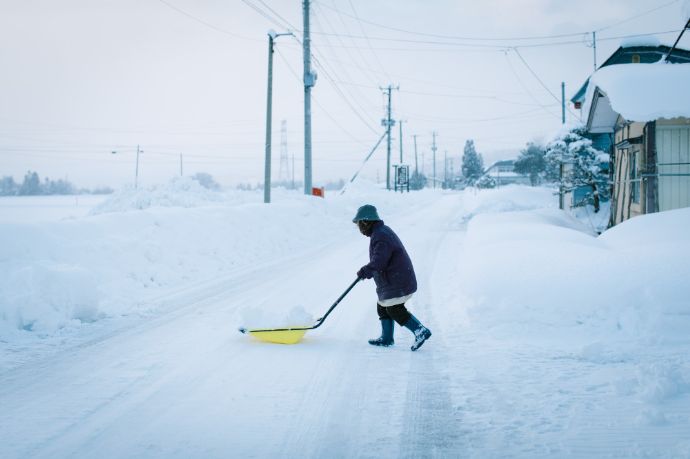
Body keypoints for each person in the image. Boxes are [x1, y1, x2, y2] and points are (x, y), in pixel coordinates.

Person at [353, 204, 432, 351]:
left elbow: (379, 261)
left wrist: (365, 271)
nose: (359, 229)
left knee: (393, 309)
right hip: (395, 279)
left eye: (359, 225)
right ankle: (387, 338)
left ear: (366, 222)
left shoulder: (380, 236)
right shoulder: (380, 232)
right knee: (382, 307)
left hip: (398, 281)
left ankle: (420, 330)